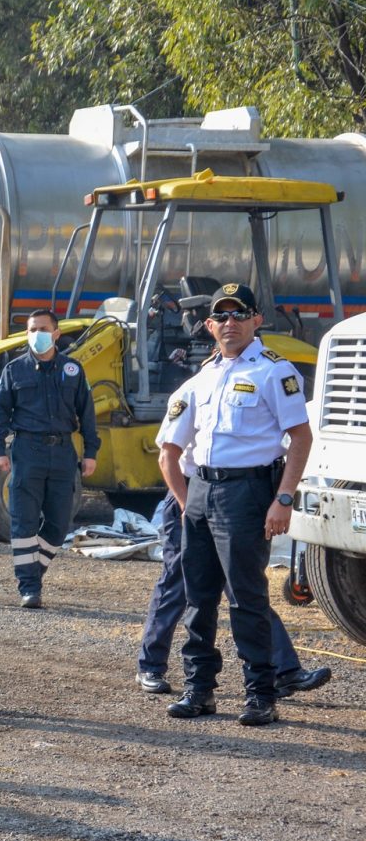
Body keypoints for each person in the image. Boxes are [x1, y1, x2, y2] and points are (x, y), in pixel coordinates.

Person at [156, 283, 313, 727]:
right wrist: (188, 503)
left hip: (247, 494)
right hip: (202, 491)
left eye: (238, 313)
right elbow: (171, 447)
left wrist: (282, 499)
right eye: (220, 316)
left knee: (246, 598)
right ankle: (199, 690)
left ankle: (260, 694)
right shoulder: (201, 378)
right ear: (209, 326)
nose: (229, 323)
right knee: (198, 599)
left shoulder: (273, 373)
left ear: (256, 320)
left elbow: (300, 438)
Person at [136, 472, 331, 698]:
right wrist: (185, 505)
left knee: (244, 588)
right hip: (188, 491)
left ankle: (284, 670)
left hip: (226, 495)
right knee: (177, 585)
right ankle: (150, 665)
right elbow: (167, 455)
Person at [0, 308, 99, 607]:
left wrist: (91, 452)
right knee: (23, 522)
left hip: (63, 452)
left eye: (43, 328)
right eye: (32, 329)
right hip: (28, 451)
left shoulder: (73, 370)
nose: (37, 334)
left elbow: (87, 413)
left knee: (59, 523)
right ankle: (29, 587)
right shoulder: (14, 370)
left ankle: (33, 571)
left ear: (57, 333)